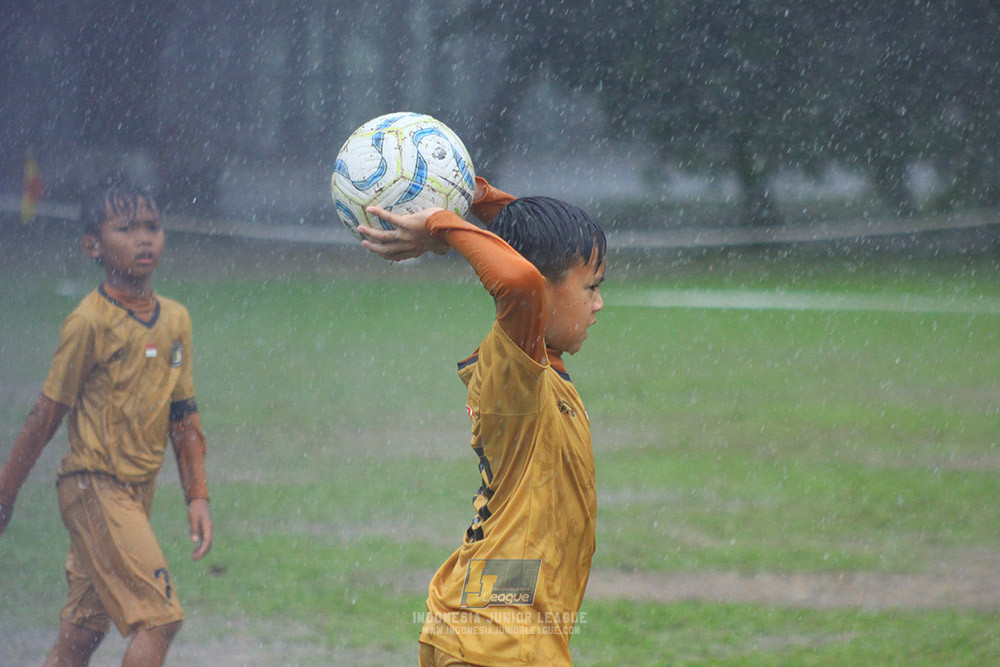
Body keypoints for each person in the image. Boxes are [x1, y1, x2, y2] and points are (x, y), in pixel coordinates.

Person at [360, 176, 606, 666]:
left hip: (485, 626)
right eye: (592, 287)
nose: (599, 303)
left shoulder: (535, 364)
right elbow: (519, 279)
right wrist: (441, 223)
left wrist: (463, 192)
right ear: (546, 289)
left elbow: (534, 244)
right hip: (498, 645)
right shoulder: (517, 373)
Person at [0, 183, 213, 667]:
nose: (145, 239)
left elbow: (184, 416)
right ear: (91, 246)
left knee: (79, 636)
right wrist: (5, 493)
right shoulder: (88, 322)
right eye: (127, 228)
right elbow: (45, 415)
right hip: (94, 488)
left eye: (153, 227)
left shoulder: (176, 319)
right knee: (160, 620)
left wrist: (197, 494)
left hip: (136, 492)